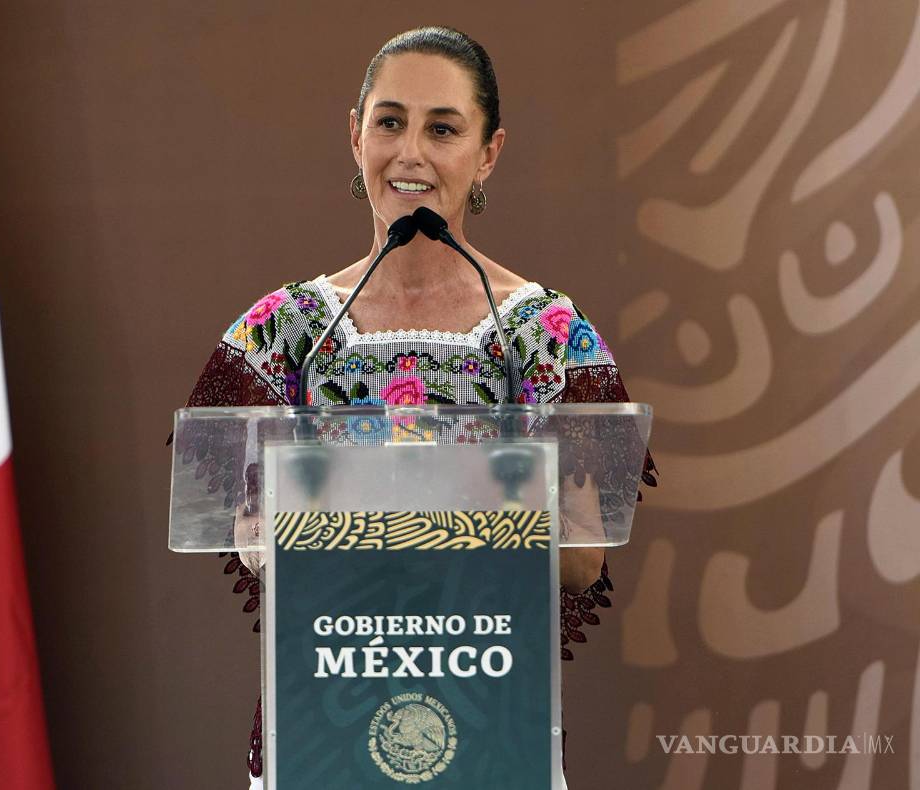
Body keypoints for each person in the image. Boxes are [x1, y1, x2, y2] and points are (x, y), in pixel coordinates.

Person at [183, 26, 658, 789]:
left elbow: (582, 559)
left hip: (494, 730)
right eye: (390, 122)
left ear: (488, 153)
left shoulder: (545, 334)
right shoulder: (287, 330)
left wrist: (459, 502)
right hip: (320, 726)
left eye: (443, 129)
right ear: (354, 134)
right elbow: (248, 538)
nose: (411, 153)